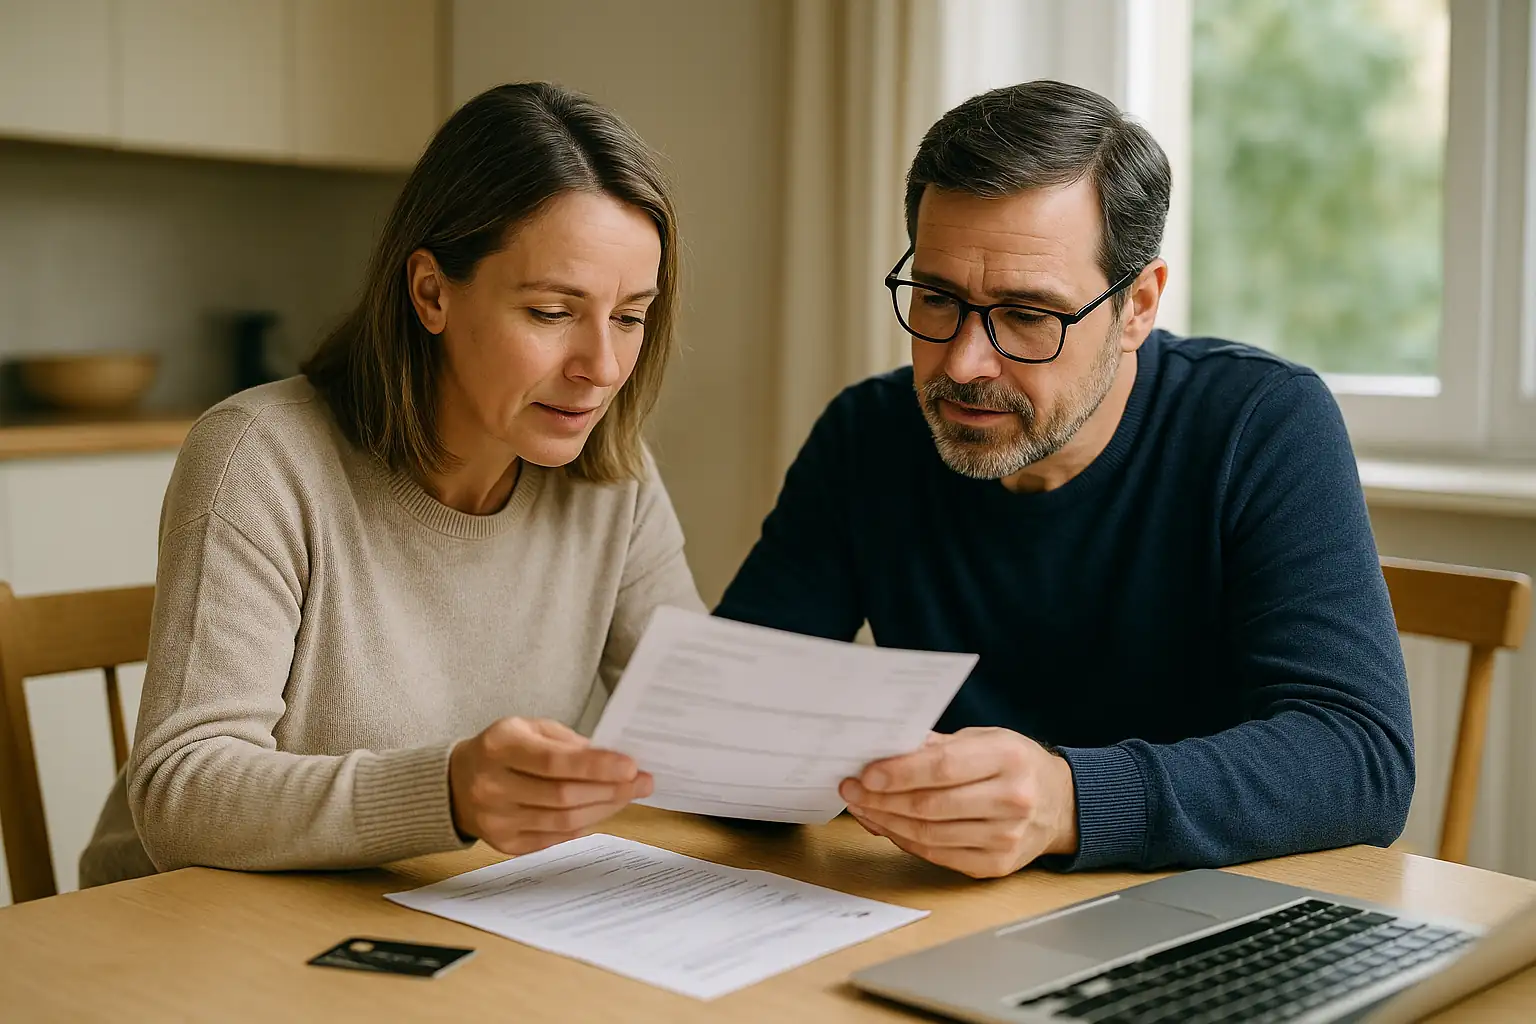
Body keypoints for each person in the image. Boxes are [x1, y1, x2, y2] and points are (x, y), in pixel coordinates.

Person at [715, 80, 1414, 878]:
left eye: (1027, 315)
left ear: (1139, 306)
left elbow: (1361, 759)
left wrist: (1069, 801)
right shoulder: (867, 434)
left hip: (1196, 915)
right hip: (934, 905)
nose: (963, 363)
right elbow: (736, 715)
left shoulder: (1260, 423)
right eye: (938, 299)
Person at [79, 83, 703, 887]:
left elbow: (699, 717)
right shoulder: (262, 457)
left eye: (629, 317)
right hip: (180, 933)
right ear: (431, 292)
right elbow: (181, 792)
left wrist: (868, 766)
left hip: (418, 913)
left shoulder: (612, 477)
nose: (603, 369)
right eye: (552, 312)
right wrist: (446, 791)